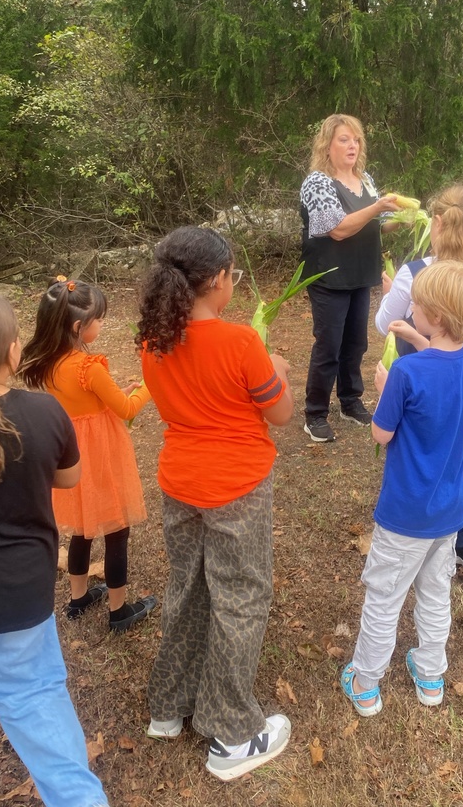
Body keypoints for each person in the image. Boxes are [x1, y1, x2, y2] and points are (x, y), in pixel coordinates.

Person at [136, 226, 294, 782]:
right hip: (237, 487)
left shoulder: (151, 342)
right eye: (235, 277)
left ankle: (168, 708)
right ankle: (231, 732)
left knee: (188, 585)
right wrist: (280, 372)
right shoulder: (241, 343)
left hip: (179, 482)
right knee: (241, 596)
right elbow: (278, 415)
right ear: (218, 280)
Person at [0, 291, 109, 807]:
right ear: (10, 353)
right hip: (20, 598)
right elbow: (68, 477)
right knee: (45, 723)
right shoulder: (44, 412)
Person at [340, 261, 463, 716]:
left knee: (385, 597)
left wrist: (387, 388)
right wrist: (421, 344)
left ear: (436, 316)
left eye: (418, 303)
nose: (412, 307)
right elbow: (443, 364)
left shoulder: (405, 374)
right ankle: (430, 675)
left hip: (405, 512)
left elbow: (381, 435)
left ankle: (365, 682)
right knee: (434, 592)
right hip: (449, 512)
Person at [375, 183, 463, 573]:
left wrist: (391, 293)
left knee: (418, 457)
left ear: (439, 223)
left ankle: (454, 537)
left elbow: (384, 325)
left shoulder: (414, 275)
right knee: (452, 451)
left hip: (416, 385)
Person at [20, 279, 156, 633]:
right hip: (102, 453)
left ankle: (78, 598)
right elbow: (126, 408)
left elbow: (87, 403)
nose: (103, 324)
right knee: (115, 529)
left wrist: (108, 396)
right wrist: (149, 386)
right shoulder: (88, 367)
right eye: (99, 319)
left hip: (70, 453)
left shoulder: (48, 362)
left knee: (81, 528)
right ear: (79, 327)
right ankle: (118, 609)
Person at [299, 113, 400, 443]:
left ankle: (350, 401)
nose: (352, 145)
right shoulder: (318, 183)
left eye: (356, 139)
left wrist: (403, 218)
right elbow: (338, 229)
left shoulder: (365, 179)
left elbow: (378, 224)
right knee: (329, 346)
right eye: (344, 139)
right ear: (327, 146)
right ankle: (314, 413)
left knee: (356, 343)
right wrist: (376, 208)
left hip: (361, 273)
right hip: (329, 276)